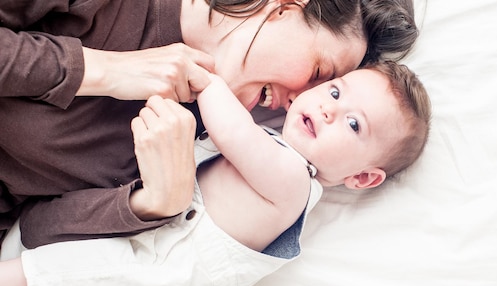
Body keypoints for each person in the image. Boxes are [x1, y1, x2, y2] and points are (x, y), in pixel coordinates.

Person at [0, 59, 432, 286]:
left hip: (155, 276)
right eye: (335, 92)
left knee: (41, 279)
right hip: (147, 272)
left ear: (361, 178)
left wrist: (207, 78)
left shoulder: (293, 182)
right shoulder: (277, 146)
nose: (329, 111)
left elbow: (233, 132)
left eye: (354, 124)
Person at [0, 0, 419, 248]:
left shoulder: (204, 140)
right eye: (318, 73)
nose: (300, 99)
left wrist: (156, 202)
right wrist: (106, 71)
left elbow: (36, 230)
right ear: (286, 9)